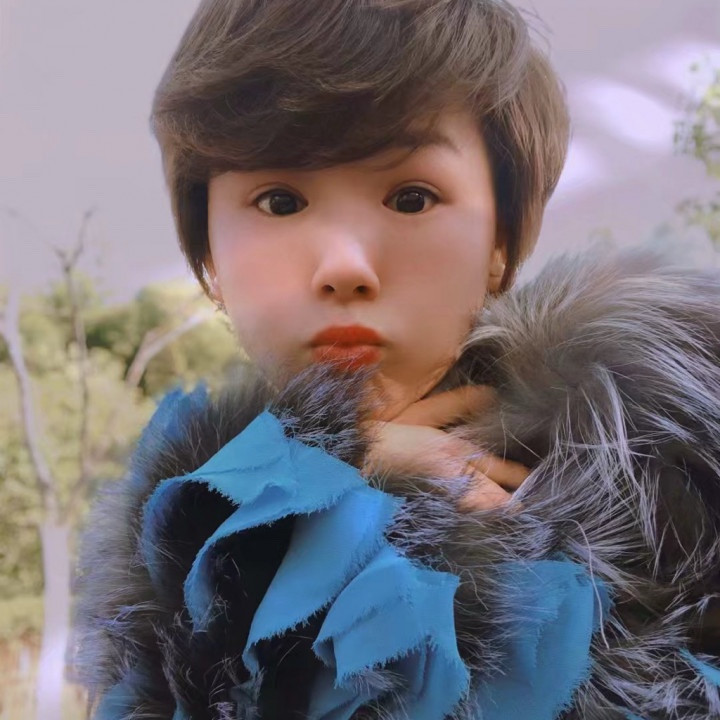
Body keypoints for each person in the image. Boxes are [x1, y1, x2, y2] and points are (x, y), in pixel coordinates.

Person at [71, 1, 720, 719]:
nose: (345, 266)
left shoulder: (665, 453)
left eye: (411, 198)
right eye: (280, 201)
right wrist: (323, 490)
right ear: (209, 259)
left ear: (501, 241)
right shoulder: (159, 558)